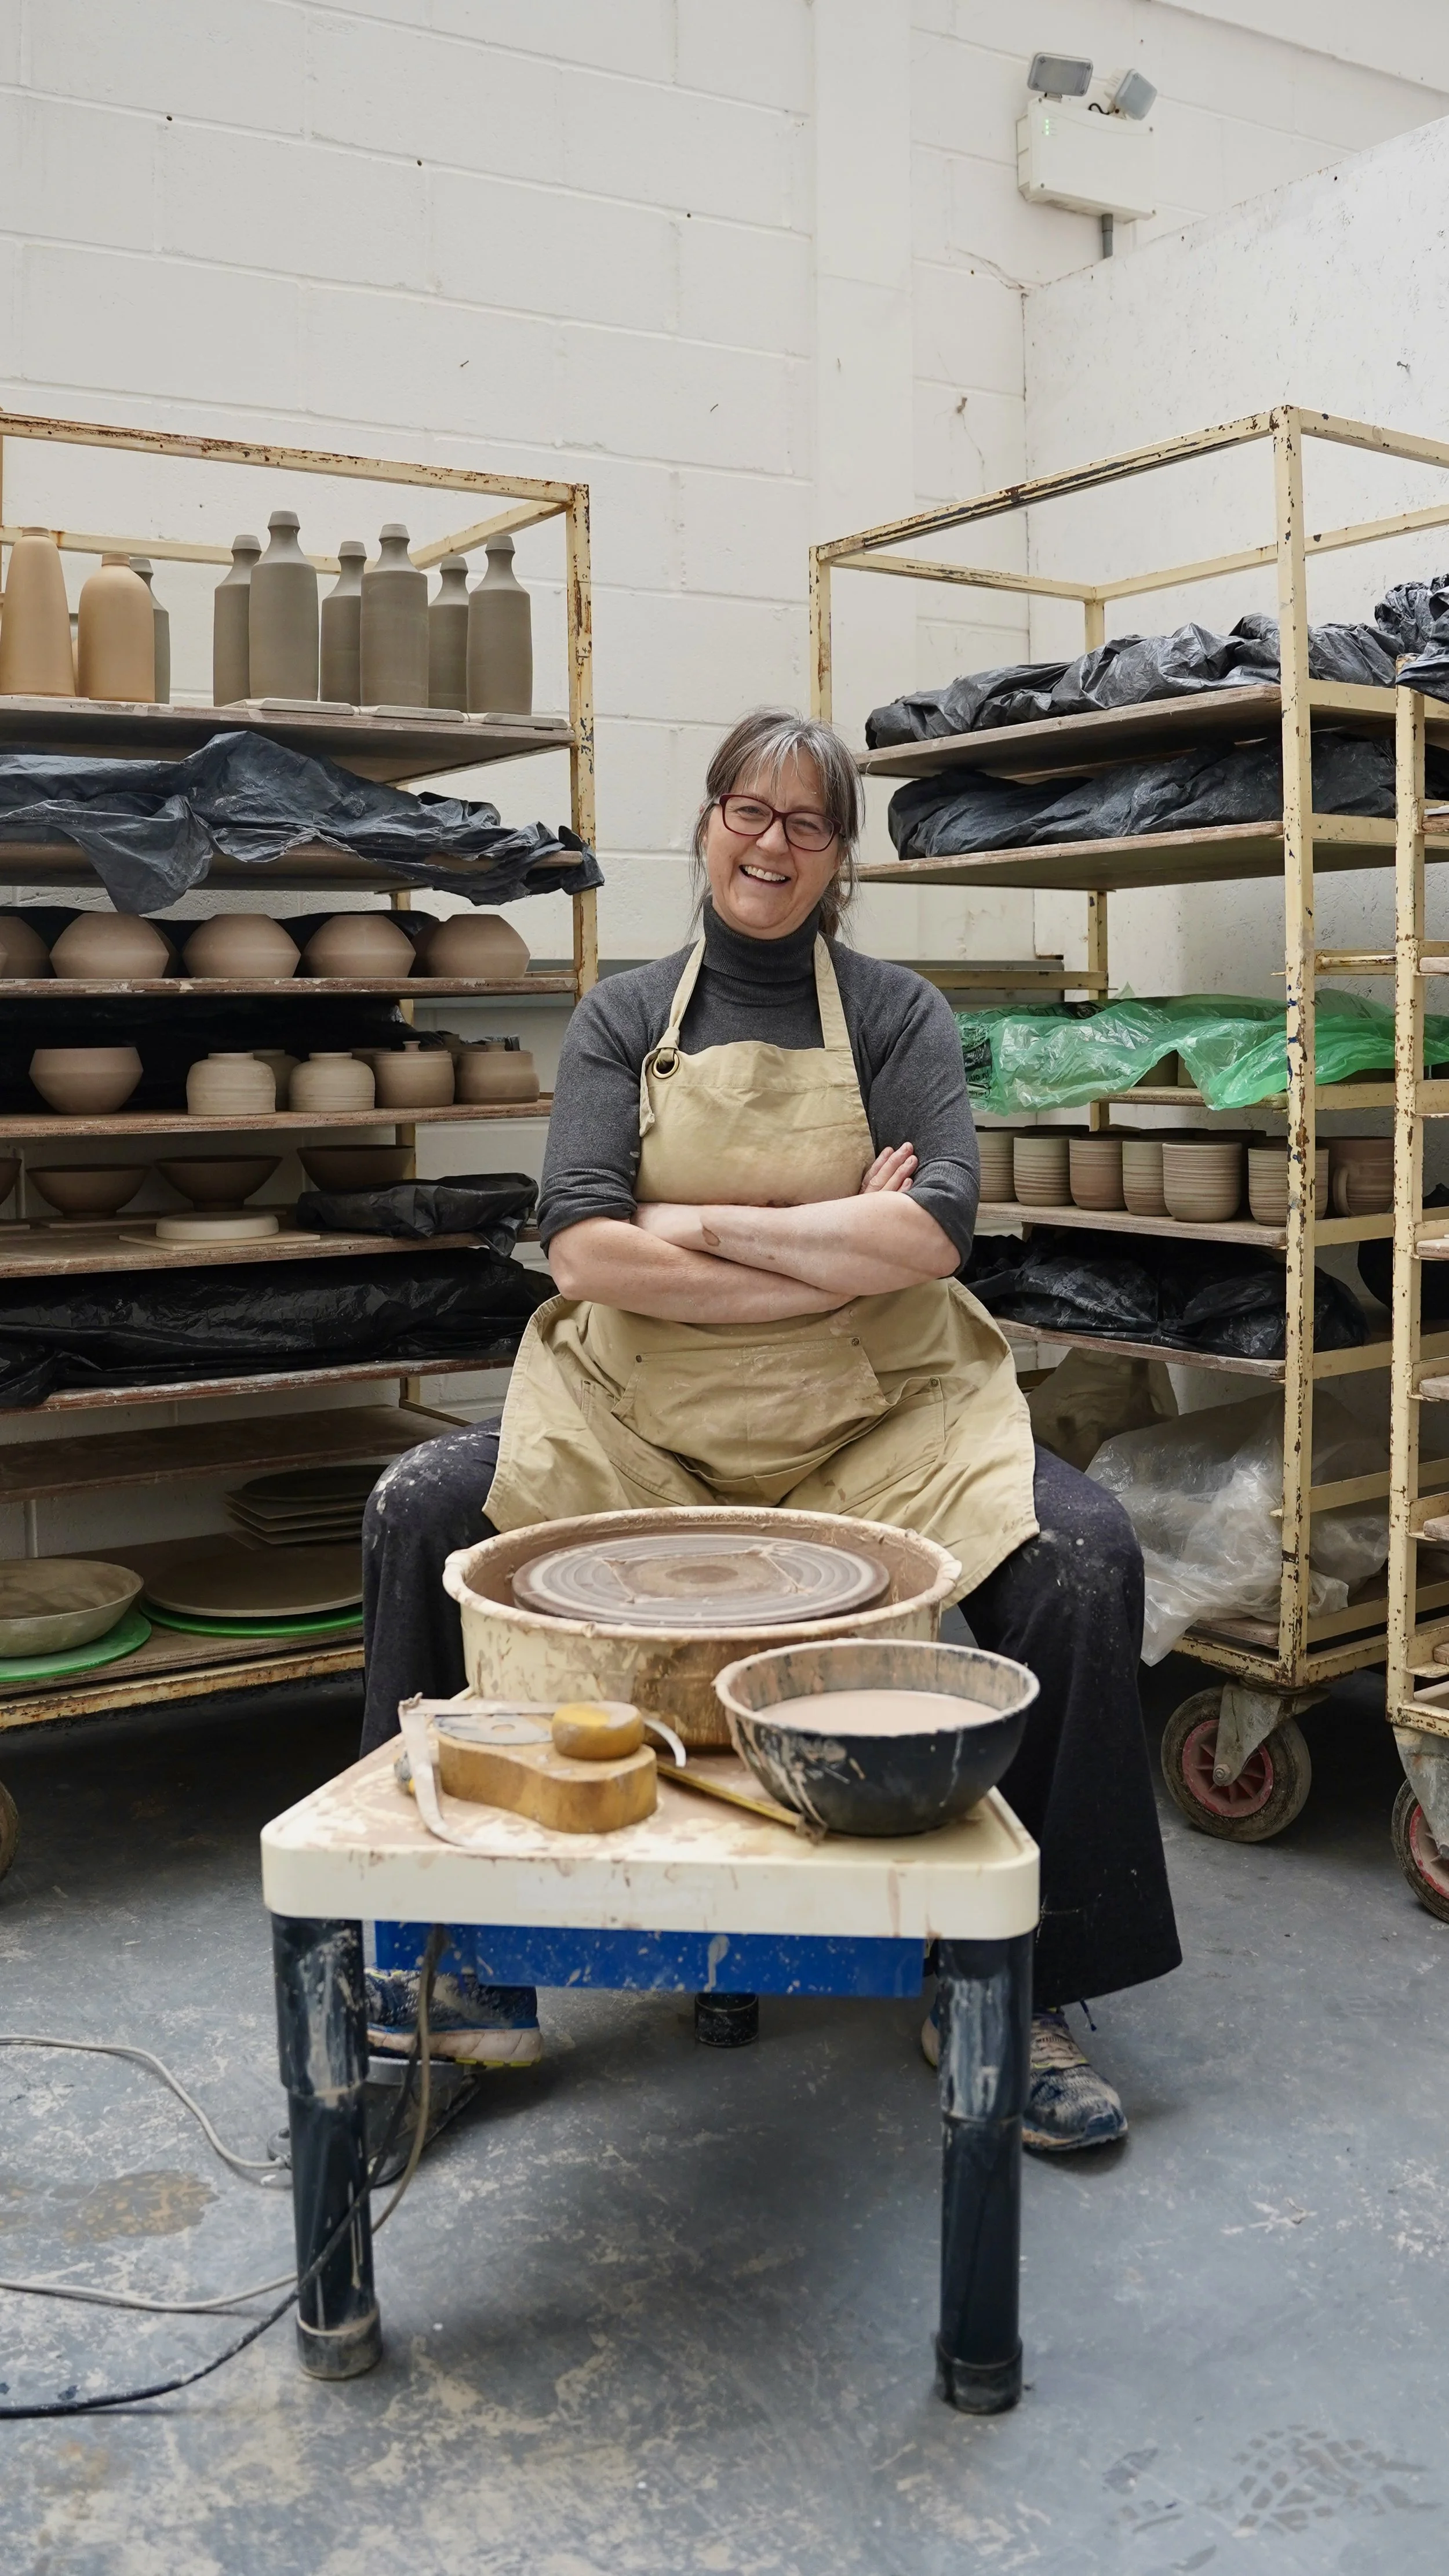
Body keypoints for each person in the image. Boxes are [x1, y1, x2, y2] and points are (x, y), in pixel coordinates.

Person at [361, 707, 1180, 2152]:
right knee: (424, 1502)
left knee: (1081, 1549)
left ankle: (1021, 1981)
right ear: (705, 822)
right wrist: (819, 1237)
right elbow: (583, 1254)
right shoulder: (622, 1013)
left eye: (808, 823)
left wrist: (698, 1222)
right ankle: (449, 1980)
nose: (772, 841)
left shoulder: (895, 1011)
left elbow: (930, 1238)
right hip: (641, 1412)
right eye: (750, 808)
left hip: (877, 1410)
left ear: (837, 858)